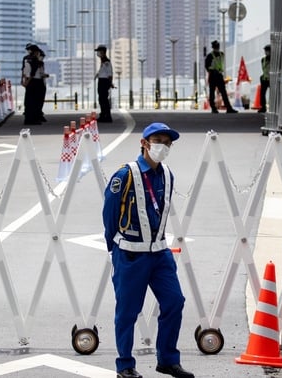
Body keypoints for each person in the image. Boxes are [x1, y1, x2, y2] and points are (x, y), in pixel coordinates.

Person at [103, 122, 194, 378]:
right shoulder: (124, 175)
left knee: (174, 302)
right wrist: (114, 248)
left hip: (160, 254)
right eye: (158, 141)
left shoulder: (167, 174)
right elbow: (109, 213)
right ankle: (125, 365)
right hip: (131, 254)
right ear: (144, 143)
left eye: (167, 142)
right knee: (128, 312)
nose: (163, 146)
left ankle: (167, 359)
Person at [204, 40, 238, 114]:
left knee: (223, 92)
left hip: (219, 75)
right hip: (213, 75)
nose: (217, 48)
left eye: (217, 47)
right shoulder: (210, 56)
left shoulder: (221, 54)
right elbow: (206, 66)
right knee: (212, 93)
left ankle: (228, 108)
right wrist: (211, 70)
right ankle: (213, 108)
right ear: (213, 47)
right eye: (216, 47)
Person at [22, 44, 45, 125]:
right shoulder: (35, 59)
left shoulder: (25, 58)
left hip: (28, 82)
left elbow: (23, 70)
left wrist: (24, 81)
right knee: (36, 101)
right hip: (35, 82)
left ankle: (27, 118)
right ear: (35, 52)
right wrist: (28, 81)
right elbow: (33, 72)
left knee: (28, 100)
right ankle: (34, 119)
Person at [94, 44, 114, 123]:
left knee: (104, 100)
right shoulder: (103, 62)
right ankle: (103, 115)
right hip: (101, 81)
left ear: (102, 52)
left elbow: (110, 74)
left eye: (99, 51)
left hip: (104, 82)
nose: (98, 53)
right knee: (101, 99)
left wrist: (110, 83)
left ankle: (107, 116)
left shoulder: (107, 62)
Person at [258, 44, 271, 113]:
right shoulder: (263, 59)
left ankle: (272, 107)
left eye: (267, 51)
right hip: (264, 79)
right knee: (262, 94)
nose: (266, 52)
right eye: (265, 51)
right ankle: (263, 107)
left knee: (273, 94)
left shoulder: (274, 60)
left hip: (271, 79)